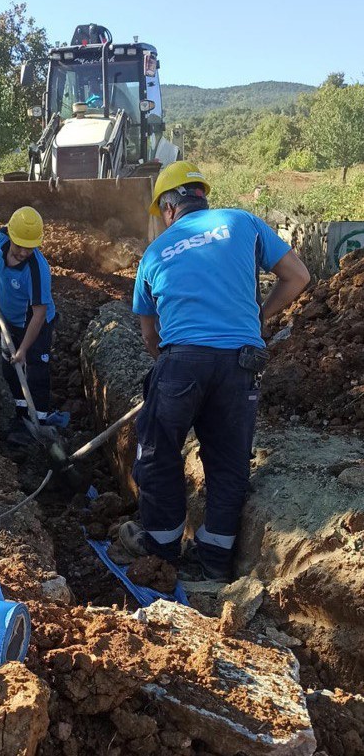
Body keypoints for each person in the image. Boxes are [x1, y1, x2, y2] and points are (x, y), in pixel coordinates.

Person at [119, 161, 310, 581]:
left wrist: (175, 371)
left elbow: (150, 336)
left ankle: (162, 553)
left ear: (169, 209)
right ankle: (214, 563)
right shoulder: (242, 221)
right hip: (241, 363)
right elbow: (298, 276)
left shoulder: (155, 252)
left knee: (157, 453)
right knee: (228, 464)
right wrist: (259, 316)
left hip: (181, 361)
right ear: (202, 197)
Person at [0, 206, 56, 446]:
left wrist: (24, 349)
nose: (25, 251)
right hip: (9, 320)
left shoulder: (37, 269)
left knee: (35, 370)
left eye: (30, 247)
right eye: (20, 245)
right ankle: (21, 414)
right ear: (11, 236)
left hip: (36, 324)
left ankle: (40, 422)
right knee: (9, 367)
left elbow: (39, 314)